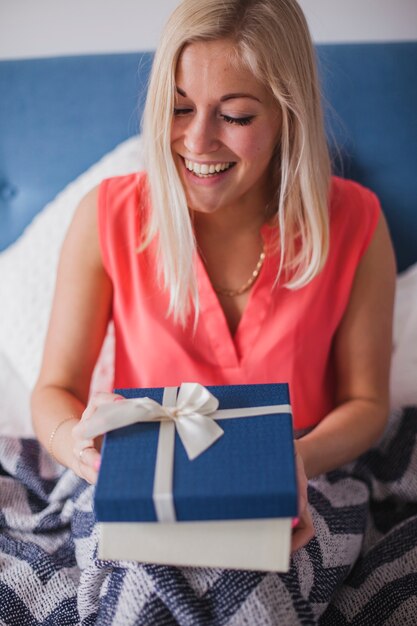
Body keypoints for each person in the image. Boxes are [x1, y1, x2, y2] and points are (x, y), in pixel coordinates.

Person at [31, 0, 395, 555]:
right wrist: (76, 449)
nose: (198, 142)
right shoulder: (107, 217)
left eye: (236, 116)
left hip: (308, 471)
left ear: (287, 114)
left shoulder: (357, 221)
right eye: (179, 109)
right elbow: (54, 390)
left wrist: (291, 461)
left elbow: (367, 402)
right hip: (144, 480)